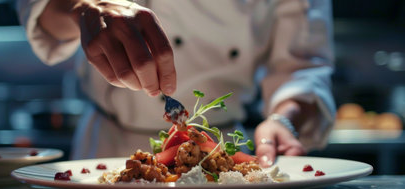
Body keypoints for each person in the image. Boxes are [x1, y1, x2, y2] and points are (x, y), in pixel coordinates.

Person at [17, 0, 336, 168]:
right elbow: (40, 11)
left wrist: (284, 118)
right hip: (107, 148)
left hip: (222, 158)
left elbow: (303, 65)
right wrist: (80, 7)